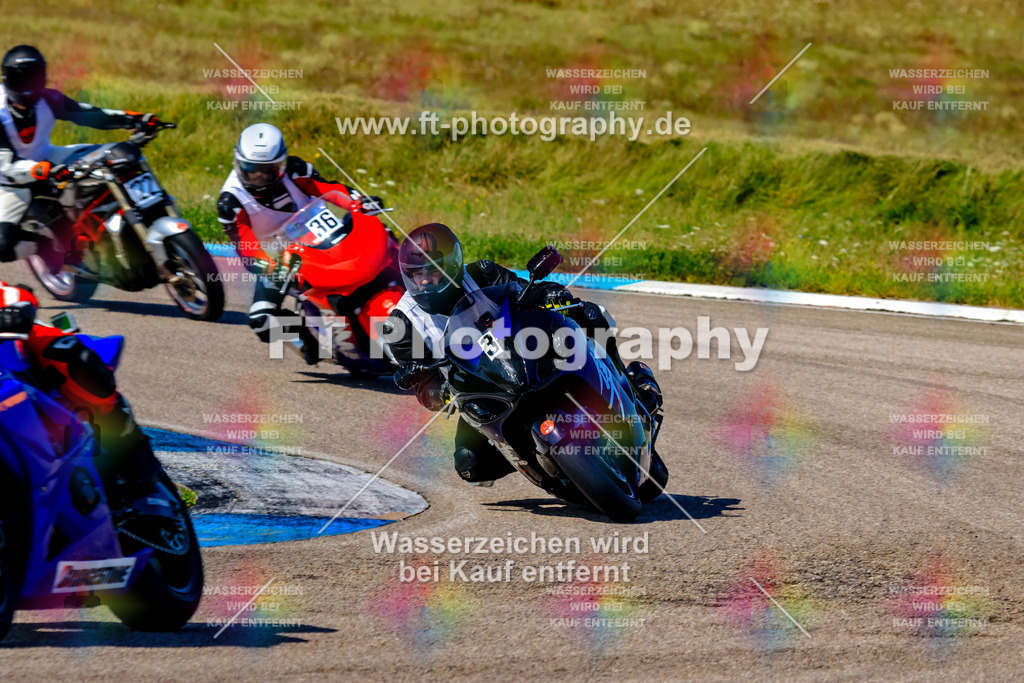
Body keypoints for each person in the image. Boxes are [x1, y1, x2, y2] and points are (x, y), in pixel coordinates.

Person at [383, 222, 663, 485]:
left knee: (588, 315)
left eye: (432, 271)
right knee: (470, 465)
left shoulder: (481, 274)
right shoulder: (402, 323)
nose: (424, 282)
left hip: (526, 355)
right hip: (480, 391)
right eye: (415, 274)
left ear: (453, 265)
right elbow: (423, 384)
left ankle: (633, 388)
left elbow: (526, 290)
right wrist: (435, 391)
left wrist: (551, 294)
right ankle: (542, 463)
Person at [217, 122, 391, 362]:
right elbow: (247, 248)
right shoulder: (230, 202)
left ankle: (421, 286)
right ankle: (310, 345)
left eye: (268, 170)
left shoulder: (295, 170)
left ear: (281, 163)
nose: (258, 177)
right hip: (279, 259)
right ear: (238, 163)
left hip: (323, 232)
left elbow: (329, 190)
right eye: (250, 169)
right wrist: (272, 267)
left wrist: (358, 202)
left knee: (381, 230)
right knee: (261, 318)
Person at [0, 44, 162, 266]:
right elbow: (6, 165)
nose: (28, 86)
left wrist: (133, 119)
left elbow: (89, 114)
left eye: (34, 78)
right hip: (9, 183)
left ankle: (136, 216)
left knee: (116, 154)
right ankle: (44, 248)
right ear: (7, 78)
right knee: (2, 245)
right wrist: (42, 169)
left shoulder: (48, 98)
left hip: (47, 158)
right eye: (22, 79)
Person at [0, 282, 160, 503]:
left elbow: (11, 294)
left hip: (10, 347)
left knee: (74, 359)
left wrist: (9, 311)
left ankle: (132, 451)